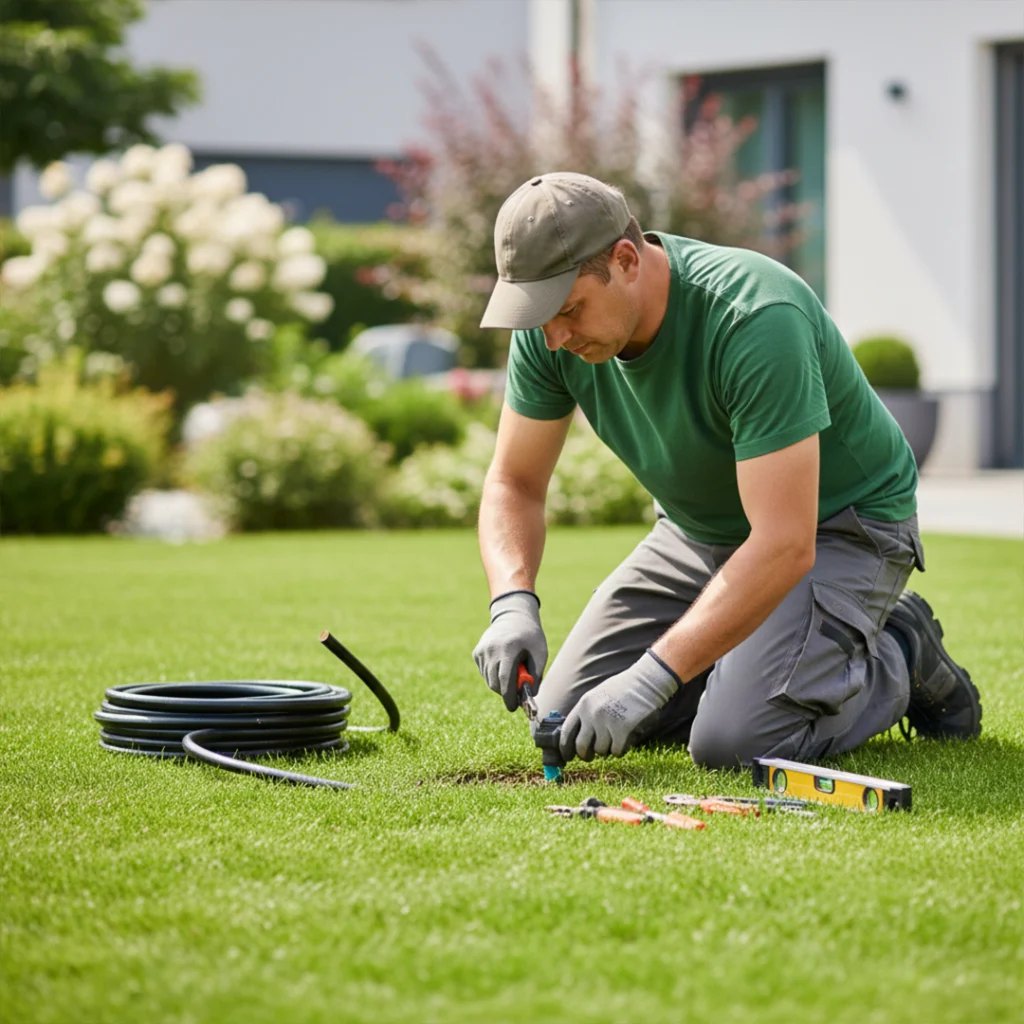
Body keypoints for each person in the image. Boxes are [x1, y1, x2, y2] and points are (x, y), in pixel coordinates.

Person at [471, 172, 981, 769]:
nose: (555, 337)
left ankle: (898, 649)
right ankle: (750, 662)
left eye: (569, 310)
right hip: (697, 533)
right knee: (571, 713)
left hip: (839, 527)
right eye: (538, 317)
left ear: (627, 260)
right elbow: (515, 482)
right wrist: (511, 602)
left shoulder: (754, 316)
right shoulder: (550, 335)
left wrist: (651, 678)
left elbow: (784, 544)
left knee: (735, 743)